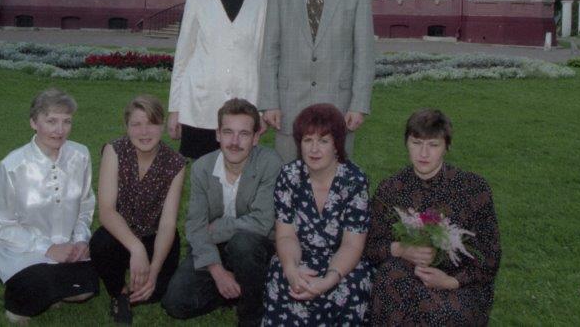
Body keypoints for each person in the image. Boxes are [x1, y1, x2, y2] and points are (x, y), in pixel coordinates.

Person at [364, 109, 502, 326]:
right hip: (405, 275)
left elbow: (490, 255)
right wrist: (401, 249)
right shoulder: (391, 188)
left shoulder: (473, 188)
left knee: (435, 312)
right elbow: (370, 245)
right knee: (390, 281)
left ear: (447, 146)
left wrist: (451, 281)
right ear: (406, 143)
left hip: (459, 283)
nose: (424, 153)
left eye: (433, 145)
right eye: (416, 143)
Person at [259, 0, 375, 163]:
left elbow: (364, 53)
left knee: (334, 178)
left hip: (338, 106)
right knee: (290, 178)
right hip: (288, 108)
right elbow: (270, 50)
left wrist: (359, 104)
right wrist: (269, 102)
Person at [162, 98, 283, 326]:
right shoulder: (202, 168)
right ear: (218, 134)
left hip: (255, 245)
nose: (234, 142)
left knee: (242, 244)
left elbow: (262, 222)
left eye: (244, 134)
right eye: (228, 132)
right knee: (176, 303)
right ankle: (241, 288)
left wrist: (217, 228)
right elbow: (195, 225)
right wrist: (217, 272)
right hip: (214, 245)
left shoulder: (270, 163)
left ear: (256, 137)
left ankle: (251, 314)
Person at [0, 88, 98, 323]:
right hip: (21, 249)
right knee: (40, 286)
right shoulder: (12, 166)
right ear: (34, 123)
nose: (60, 130)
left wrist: (80, 240)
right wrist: (48, 248)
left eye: (66, 121)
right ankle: (18, 302)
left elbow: (85, 205)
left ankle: (52, 286)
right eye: (51, 121)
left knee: (87, 288)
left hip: (67, 246)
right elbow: (3, 225)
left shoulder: (80, 155)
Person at [262, 103, 373, 325]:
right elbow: (286, 235)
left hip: (341, 261)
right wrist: (292, 270)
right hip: (299, 256)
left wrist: (329, 280)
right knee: (280, 274)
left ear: (336, 145)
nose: (314, 149)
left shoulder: (354, 181)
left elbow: (352, 245)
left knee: (353, 284)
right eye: (307, 140)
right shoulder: (289, 176)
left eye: (323, 141)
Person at [169, 0, 268, 160]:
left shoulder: (261, 2)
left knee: (238, 171)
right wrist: (175, 109)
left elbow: (262, 58)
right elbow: (183, 57)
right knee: (200, 172)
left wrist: (261, 111)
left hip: (243, 105)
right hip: (201, 104)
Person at [90, 95, 186, 324]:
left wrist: (153, 270)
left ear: (162, 125)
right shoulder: (114, 151)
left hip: (156, 235)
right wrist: (136, 248)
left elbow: (167, 223)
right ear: (127, 126)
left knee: (156, 293)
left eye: (151, 123)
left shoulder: (175, 163)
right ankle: (119, 293)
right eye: (136, 124)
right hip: (120, 233)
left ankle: (144, 276)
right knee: (100, 244)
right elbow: (106, 211)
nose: (144, 132)